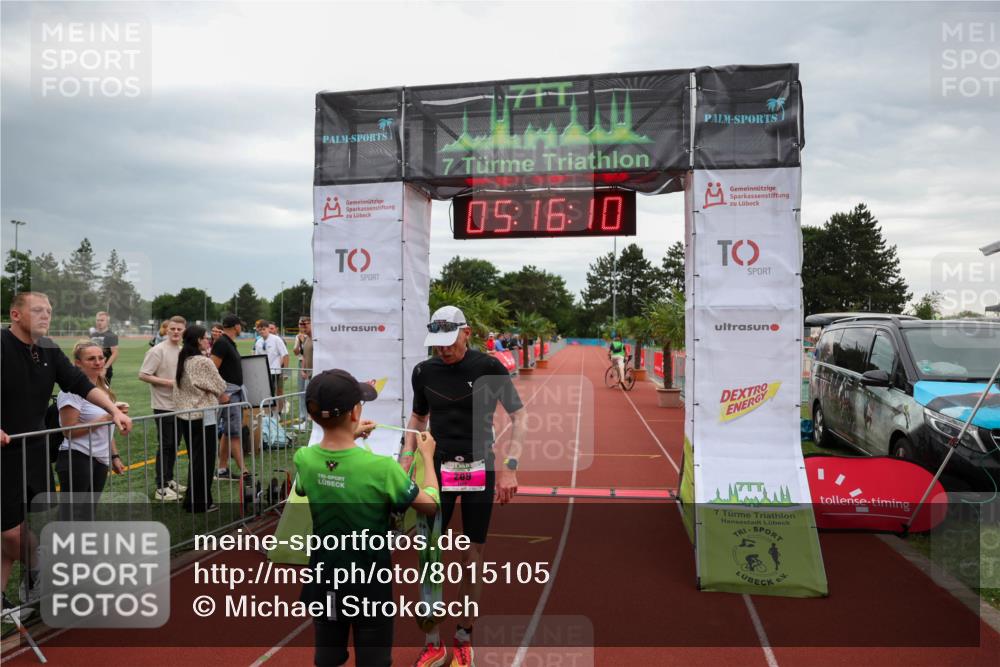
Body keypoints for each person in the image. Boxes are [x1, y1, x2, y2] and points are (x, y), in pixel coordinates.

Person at [404, 305, 527, 667]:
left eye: (449, 342)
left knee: (473, 556)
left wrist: (510, 467)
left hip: (479, 468)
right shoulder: (424, 371)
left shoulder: (488, 367)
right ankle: (432, 640)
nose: (443, 349)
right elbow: (417, 416)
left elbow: (519, 417)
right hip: (435, 470)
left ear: (467, 332)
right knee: (429, 554)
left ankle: (462, 636)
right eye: (437, 343)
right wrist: (405, 457)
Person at [295, 369, 439, 667]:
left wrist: (350, 433)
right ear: (355, 412)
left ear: (312, 416)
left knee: (328, 657)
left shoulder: (304, 459)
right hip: (369, 584)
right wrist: (427, 456)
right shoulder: (383, 469)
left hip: (325, 581)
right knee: (374, 659)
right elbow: (431, 505)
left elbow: (316, 477)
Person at [1, 292, 132, 620]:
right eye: (37, 310)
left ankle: (9, 597)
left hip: (35, 452)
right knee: (9, 532)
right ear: (15, 315)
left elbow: (78, 383)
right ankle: (37, 569)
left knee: (25, 525)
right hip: (4, 454)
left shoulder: (48, 350)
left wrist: (113, 410)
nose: (46, 315)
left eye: (49, 310)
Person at [55, 341, 128, 519]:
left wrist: (114, 455)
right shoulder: (70, 391)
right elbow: (68, 431)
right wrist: (106, 417)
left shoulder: (104, 388)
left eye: (101, 357)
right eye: (91, 359)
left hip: (100, 459)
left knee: (88, 512)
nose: (98, 362)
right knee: (72, 513)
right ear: (78, 363)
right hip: (77, 456)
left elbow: (106, 429)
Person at [173, 325, 229, 513]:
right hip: (202, 415)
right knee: (204, 460)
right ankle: (200, 502)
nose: (209, 340)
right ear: (198, 340)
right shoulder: (202, 361)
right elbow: (220, 385)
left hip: (185, 415)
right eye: (206, 338)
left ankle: (193, 500)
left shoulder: (185, 358)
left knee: (196, 459)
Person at [138, 315, 187, 501]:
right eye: (172, 329)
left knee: (174, 444)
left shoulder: (182, 350)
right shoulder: (158, 350)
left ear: (184, 331)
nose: (175, 332)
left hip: (180, 405)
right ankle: (161, 487)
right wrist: (167, 383)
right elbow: (143, 374)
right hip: (163, 405)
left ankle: (168, 479)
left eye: (179, 329)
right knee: (166, 445)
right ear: (167, 330)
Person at [211, 314, 247, 481]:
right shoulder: (222, 343)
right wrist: (221, 393)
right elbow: (211, 370)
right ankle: (244, 471)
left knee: (228, 431)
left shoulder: (227, 343)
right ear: (236, 326)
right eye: (241, 325)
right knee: (233, 432)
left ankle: (222, 469)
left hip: (233, 393)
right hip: (228, 395)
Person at [255, 320, 289, 412]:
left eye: (264, 329)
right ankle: (268, 414)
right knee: (266, 394)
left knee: (277, 393)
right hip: (263, 372)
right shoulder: (258, 342)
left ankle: (278, 413)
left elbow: (285, 355)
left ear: (268, 329)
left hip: (275, 372)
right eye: (260, 329)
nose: (262, 331)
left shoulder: (276, 339)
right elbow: (257, 358)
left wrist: (285, 371)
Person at [292, 316, 313, 429]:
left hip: (315, 370)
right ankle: (305, 419)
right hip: (307, 369)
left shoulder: (314, 337)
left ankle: (309, 420)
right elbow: (301, 354)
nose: (303, 326)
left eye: (305, 324)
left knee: (310, 396)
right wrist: (303, 370)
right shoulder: (302, 338)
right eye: (301, 324)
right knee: (305, 394)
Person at [90, 311, 119, 385]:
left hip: (103, 369)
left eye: (102, 320)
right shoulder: (92, 335)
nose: (99, 322)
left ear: (107, 322)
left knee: (103, 394)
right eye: (98, 320)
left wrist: (105, 368)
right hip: (92, 369)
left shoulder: (111, 336)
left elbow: (115, 353)